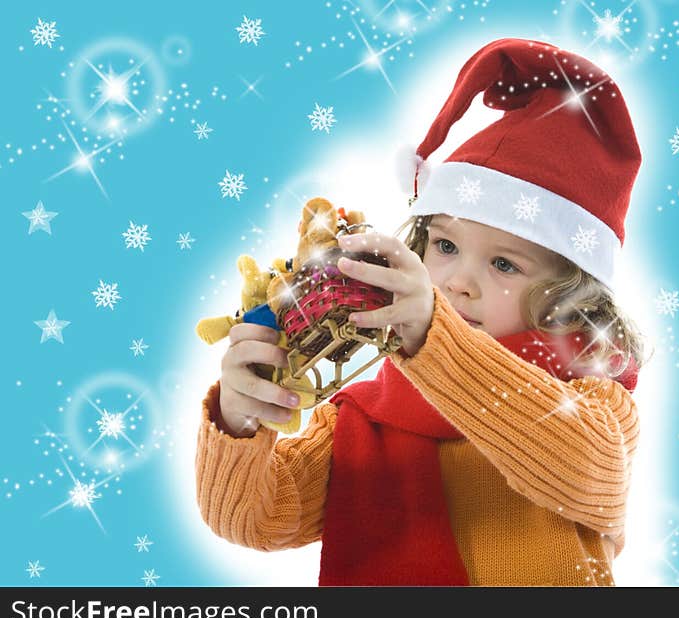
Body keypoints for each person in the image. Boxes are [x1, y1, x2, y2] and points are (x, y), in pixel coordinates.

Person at [195, 38, 648, 586]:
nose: (458, 282)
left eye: (505, 264)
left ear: (570, 298)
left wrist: (436, 340)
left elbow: (581, 469)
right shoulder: (365, 411)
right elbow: (259, 520)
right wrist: (241, 420)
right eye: (446, 247)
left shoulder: (594, 400)